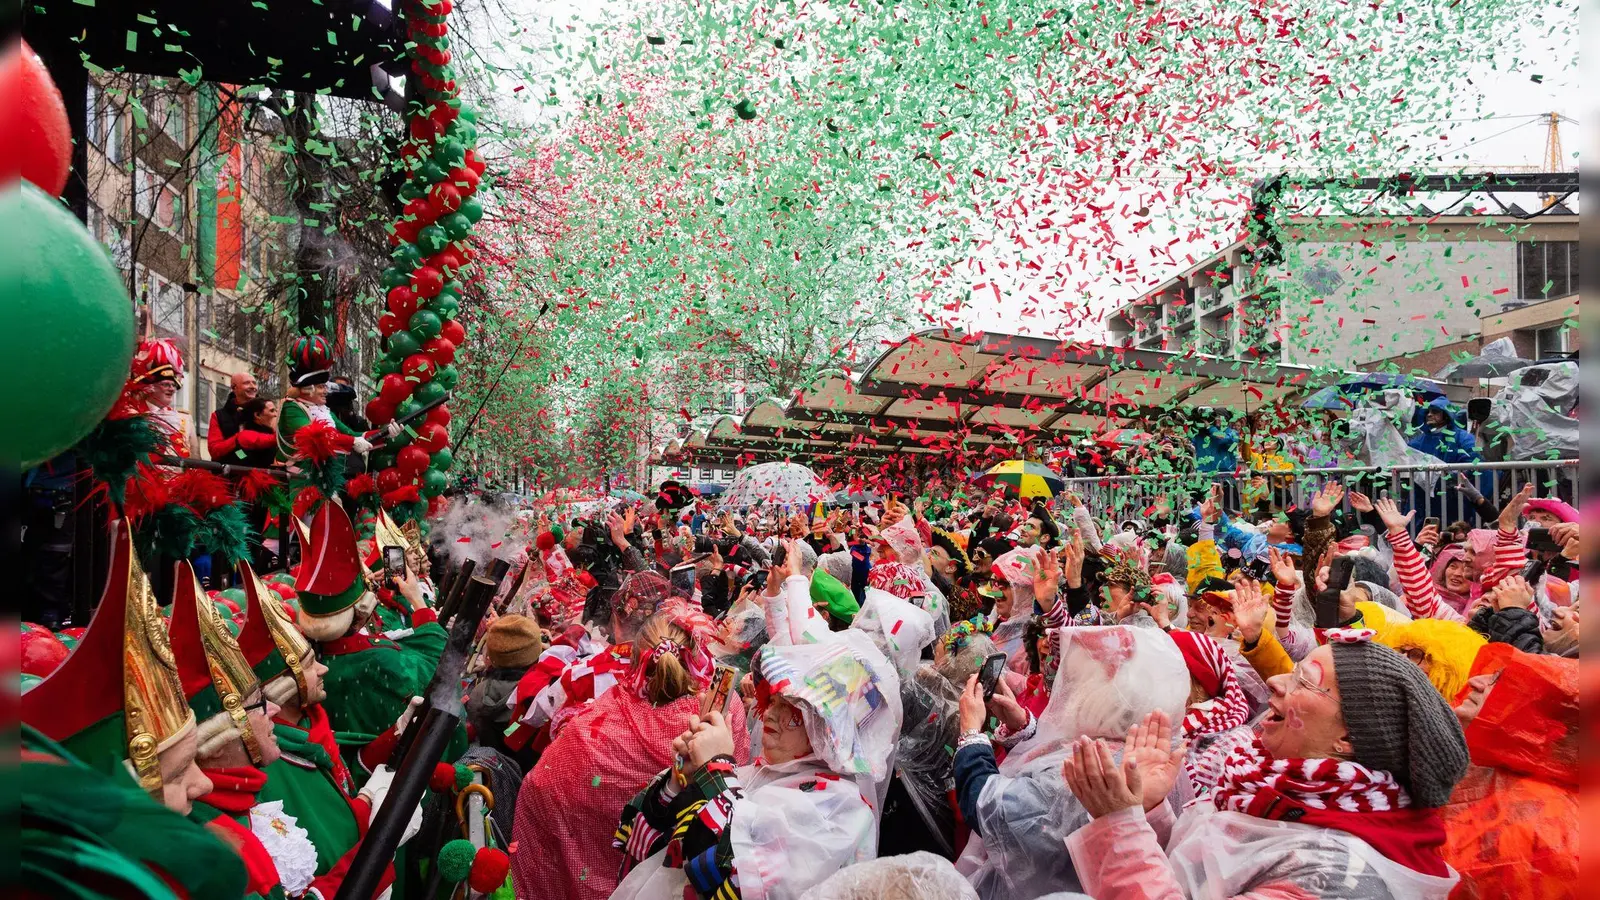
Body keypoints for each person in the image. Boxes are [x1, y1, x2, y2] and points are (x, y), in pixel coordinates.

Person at [1063, 632, 1470, 899]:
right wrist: (1149, 812)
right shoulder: (1266, 788)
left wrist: (1120, 825)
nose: (1275, 683)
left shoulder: (1338, 878)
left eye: (1303, 682)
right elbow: (1200, 876)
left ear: (1348, 737)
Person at [611, 630, 901, 900]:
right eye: (772, 700)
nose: (770, 714)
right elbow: (656, 843)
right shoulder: (754, 775)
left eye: (792, 707)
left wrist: (715, 769)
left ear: (831, 730)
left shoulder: (842, 810)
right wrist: (681, 779)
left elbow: (733, 876)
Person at [512, 605, 749, 900]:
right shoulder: (723, 713)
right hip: (671, 879)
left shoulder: (591, 730)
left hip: (599, 873)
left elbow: (540, 789)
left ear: (635, 660)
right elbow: (739, 776)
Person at [953, 625, 1190, 899]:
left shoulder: (1091, 768)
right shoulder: (1155, 757)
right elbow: (1052, 756)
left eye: (1076, 681)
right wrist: (1023, 726)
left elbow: (987, 809)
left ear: (1104, 693)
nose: (1067, 692)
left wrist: (970, 732)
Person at [1440, 643, 1578, 899]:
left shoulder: (1547, 824)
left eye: (1500, 682)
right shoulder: (1477, 762)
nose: (1475, 681)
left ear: (1539, 718)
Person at [467, 614, 546, 766]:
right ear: (536, 654)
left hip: (490, 769)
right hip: (524, 774)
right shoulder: (543, 694)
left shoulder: (477, 690)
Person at [1408, 397, 1480, 464]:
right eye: (1427, 412)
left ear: (1446, 415)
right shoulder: (1418, 441)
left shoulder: (1463, 438)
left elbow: (1472, 461)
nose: (1429, 415)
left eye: (1435, 411)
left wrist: (1451, 475)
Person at [207, 370, 260, 461]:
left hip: (265, 471)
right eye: (246, 383)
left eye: (254, 383)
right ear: (234, 388)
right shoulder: (219, 416)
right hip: (230, 471)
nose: (252, 386)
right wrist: (238, 439)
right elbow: (215, 450)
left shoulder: (266, 411)